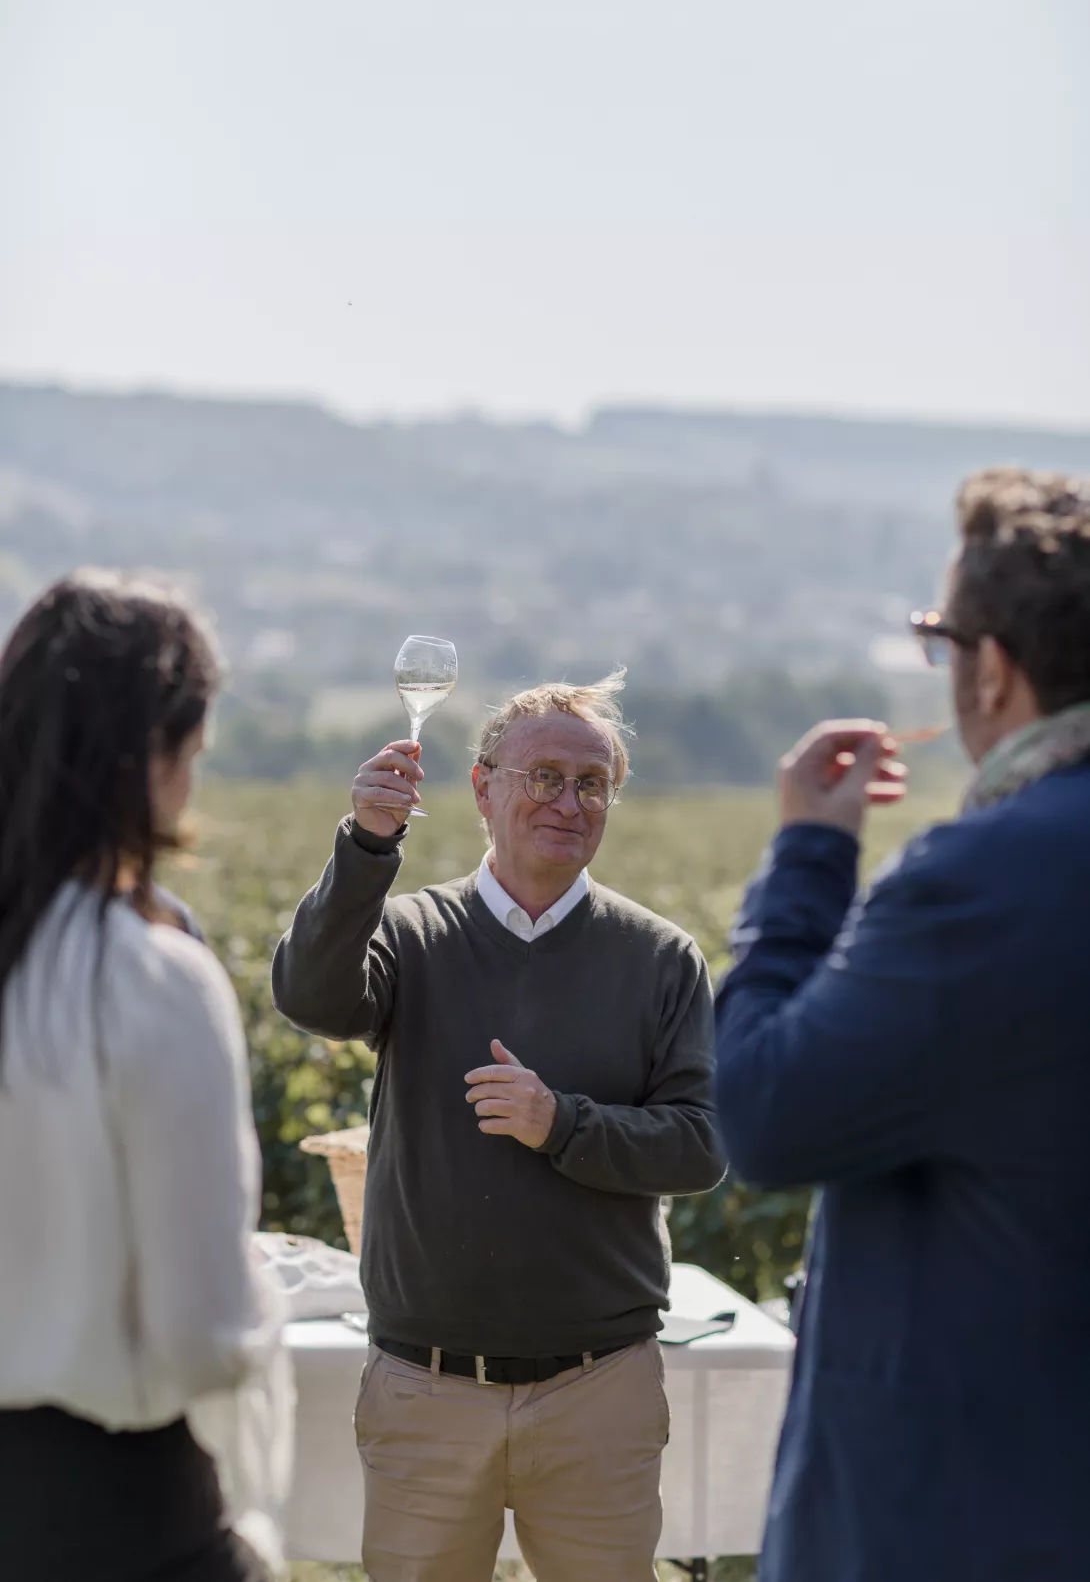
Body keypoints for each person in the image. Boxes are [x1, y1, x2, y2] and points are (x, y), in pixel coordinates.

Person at [716, 468, 1090, 1582]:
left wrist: (807, 861)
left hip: (965, 1520)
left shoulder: (985, 880)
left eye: (941, 636)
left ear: (995, 670)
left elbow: (764, 1113)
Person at [273, 672, 726, 1582]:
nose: (569, 799)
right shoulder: (410, 933)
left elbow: (698, 1147)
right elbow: (313, 997)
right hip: (423, 1387)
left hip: (600, 1386)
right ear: (482, 789)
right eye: (545, 776)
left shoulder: (660, 957)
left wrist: (560, 1121)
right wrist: (368, 844)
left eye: (591, 781)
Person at [0, 571, 289, 1582]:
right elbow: (201, 1338)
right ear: (152, 758)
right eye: (193, 754)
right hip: (117, 1521)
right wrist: (268, 1296)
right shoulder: (151, 979)